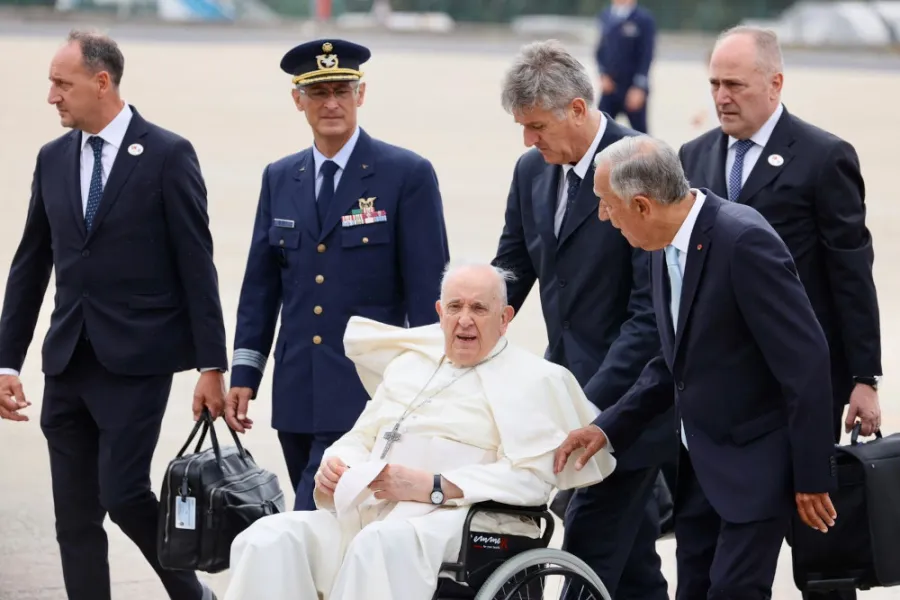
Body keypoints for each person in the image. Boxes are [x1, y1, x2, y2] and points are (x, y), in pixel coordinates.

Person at [222, 260, 616, 600]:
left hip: (461, 522)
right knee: (268, 538)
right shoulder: (409, 366)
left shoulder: (535, 379)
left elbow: (531, 480)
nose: (465, 319)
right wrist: (337, 465)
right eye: (455, 307)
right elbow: (362, 436)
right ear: (439, 312)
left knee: (376, 547)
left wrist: (433, 485)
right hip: (374, 512)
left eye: (479, 308)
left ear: (505, 317)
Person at [555, 135, 839, 600]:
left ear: (642, 205)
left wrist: (812, 477)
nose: (604, 217)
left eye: (607, 205)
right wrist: (606, 428)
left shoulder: (742, 241)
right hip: (701, 467)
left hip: (755, 466)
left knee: (732, 592)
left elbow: (806, 362)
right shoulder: (661, 247)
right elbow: (673, 364)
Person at [0, 30, 225, 600]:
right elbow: (30, 265)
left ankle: (192, 595)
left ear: (102, 82)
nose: (52, 96)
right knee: (73, 519)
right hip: (67, 361)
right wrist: (6, 363)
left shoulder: (169, 154)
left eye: (61, 83)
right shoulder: (52, 159)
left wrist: (211, 366)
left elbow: (198, 265)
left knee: (124, 495)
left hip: (136, 362)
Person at [224, 38, 450, 512]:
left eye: (342, 91)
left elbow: (428, 293)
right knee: (329, 531)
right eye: (319, 91)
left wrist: (427, 388)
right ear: (298, 100)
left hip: (365, 395)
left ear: (360, 95)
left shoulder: (404, 175)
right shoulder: (280, 177)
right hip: (295, 391)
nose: (331, 103)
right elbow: (261, 287)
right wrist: (246, 370)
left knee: (311, 521)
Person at [491, 39, 669, 599]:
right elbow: (515, 262)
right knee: (634, 569)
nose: (527, 139)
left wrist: (592, 407)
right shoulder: (531, 171)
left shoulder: (641, 165)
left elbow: (648, 315)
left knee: (582, 562)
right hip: (566, 392)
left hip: (627, 408)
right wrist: (477, 309)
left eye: (536, 125)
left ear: (576, 109)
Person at [678, 25, 881, 447]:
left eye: (734, 84)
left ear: (775, 84)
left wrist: (864, 378)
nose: (721, 97)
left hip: (796, 381)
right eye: (714, 84)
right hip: (718, 380)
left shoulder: (823, 158)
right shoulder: (693, 156)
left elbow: (851, 271)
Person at [594, 0, 656, 133]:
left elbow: (646, 55)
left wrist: (639, 87)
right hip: (610, 87)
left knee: (641, 135)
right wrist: (602, 74)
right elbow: (600, 50)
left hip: (632, 88)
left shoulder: (644, 19)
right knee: (598, 130)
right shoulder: (606, 16)